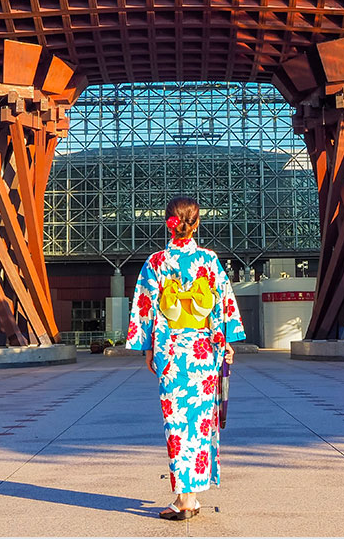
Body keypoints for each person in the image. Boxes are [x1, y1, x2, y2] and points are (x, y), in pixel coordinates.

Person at [126, 196, 246, 521]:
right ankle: (189, 496)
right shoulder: (209, 259)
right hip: (204, 353)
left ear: (168, 222)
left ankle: (185, 499)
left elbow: (145, 306)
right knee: (201, 423)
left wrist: (147, 348)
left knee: (177, 422)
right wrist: (227, 343)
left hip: (172, 351)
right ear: (197, 223)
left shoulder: (156, 262)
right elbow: (222, 304)